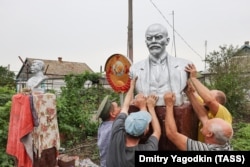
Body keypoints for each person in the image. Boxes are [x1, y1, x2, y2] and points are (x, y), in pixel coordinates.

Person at [129, 23, 192, 106]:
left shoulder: (184, 66)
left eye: (158, 37)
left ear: (167, 40)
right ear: (146, 42)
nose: (153, 41)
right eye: (149, 38)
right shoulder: (135, 69)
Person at [106, 77, 161, 167]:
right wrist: (149, 107)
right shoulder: (147, 150)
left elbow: (125, 107)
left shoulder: (117, 133)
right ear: (145, 131)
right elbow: (157, 132)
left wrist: (132, 86)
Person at [164, 92, 233, 151]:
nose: (206, 121)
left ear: (209, 134)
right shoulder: (225, 143)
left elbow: (172, 134)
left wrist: (169, 105)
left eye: (208, 123)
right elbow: (203, 116)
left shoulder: (205, 149)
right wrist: (190, 93)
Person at [185, 63, 232, 142]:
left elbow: (209, 100)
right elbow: (194, 94)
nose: (205, 97)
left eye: (210, 94)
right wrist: (188, 88)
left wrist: (194, 78)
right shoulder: (206, 106)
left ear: (217, 101)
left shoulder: (223, 113)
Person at [96, 95, 121, 167]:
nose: (120, 108)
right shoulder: (113, 128)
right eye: (118, 107)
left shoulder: (103, 125)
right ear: (112, 114)